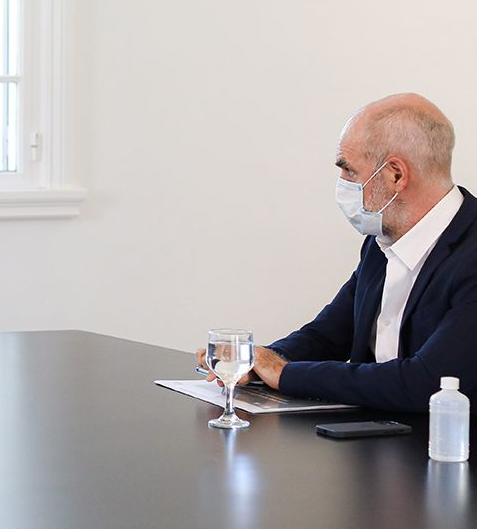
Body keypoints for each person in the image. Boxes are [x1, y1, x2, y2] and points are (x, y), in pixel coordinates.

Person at [198, 93, 477, 411]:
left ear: (396, 175)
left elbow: (426, 382)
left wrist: (285, 374)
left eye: (349, 171)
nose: (342, 182)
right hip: (373, 435)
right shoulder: (381, 240)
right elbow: (329, 335)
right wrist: (255, 363)